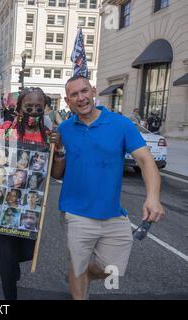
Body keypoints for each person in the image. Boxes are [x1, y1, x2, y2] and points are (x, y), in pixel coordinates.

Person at [51, 75, 165, 300]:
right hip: (75, 212)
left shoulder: (120, 124)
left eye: (84, 91)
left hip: (113, 213)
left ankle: (80, 275)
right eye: (74, 94)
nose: (81, 98)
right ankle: (78, 281)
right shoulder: (64, 129)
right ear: (67, 100)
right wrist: (58, 151)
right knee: (78, 263)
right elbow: (56, 174)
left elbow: (145, 160)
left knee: (110, 269)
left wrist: (153, 197)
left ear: (93, 91)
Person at [0, 87, 50, 300]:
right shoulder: (7, 129)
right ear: (19, 109)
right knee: (7, 252)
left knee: (27, 251)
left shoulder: (48, 135)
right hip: (4, 200)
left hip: (32, 203)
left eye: (38, 107)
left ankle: (13, 265)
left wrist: (59, 148)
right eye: (29, 107)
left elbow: (55, 171)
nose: (34, 111)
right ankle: (10, 296)